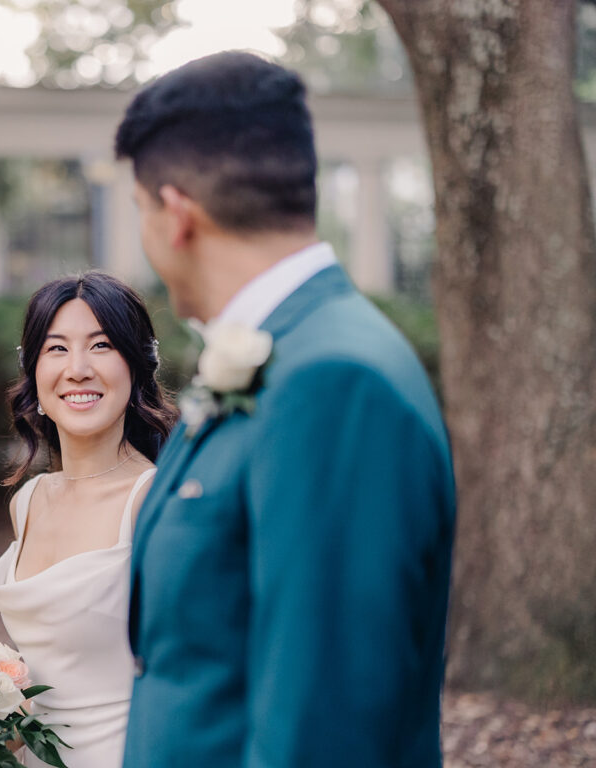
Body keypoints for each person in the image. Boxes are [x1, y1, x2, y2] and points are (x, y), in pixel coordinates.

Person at [115, 51, 457, 767]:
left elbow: (325, 732)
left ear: (176, 214)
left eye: (140, 209)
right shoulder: (287, 350)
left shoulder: (332, 382)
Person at [0, 271, 177, 768]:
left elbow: (187, 669)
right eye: (57, 349)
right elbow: (46, 675)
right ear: (34, 371)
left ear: (136, 366)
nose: (77, 369)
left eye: (101, 346)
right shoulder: (27, 502)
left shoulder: (154, 499)